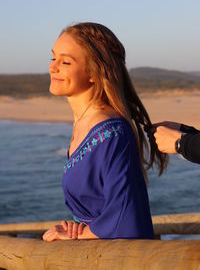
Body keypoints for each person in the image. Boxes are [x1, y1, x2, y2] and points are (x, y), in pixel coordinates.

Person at [42, 22, 168, 242]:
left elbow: (127, 218)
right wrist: (77, 228)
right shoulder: (84, 126)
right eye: (53, 58)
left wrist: (77, 235)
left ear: (93, 72)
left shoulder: (111, 133)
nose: (53, 67)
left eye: (66, 61)